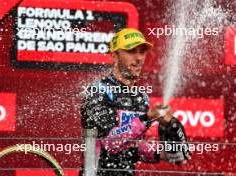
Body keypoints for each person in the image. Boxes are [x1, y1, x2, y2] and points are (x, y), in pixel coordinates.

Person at [80, 28, 190, 176]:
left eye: (142, 52)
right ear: (114, 56)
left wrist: (163, 153)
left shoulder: (141, 97)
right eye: (131, 51)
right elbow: (109, 143)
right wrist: (148, 118)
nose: (138, 58)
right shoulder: (98, 90)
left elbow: (133, 147)